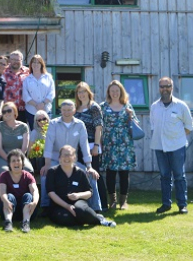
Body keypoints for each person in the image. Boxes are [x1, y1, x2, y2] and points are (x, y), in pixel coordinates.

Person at [41, 100, 102, 213]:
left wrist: (89, 166)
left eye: (69, 110)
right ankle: (45, 207)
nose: (67, 112)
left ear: (74, 110)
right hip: (55, 161)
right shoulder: (53, 124)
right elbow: (48, 144)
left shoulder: (80, 125)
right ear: (61, 111)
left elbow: (84, 145)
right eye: (64, 110)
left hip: (72, 162)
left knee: (91, 176)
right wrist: (47, 164)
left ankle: (95, 208)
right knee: (45, 176)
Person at [151, 77, 193, 214]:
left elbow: (189, 126)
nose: (165, 89)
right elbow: (153, 126)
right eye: (162, 86)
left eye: (167, 86)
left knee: (179, 176)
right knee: (164, 176)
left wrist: (178, 138)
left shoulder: (181, 106)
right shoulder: (154, 107)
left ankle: (182, 205)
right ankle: (166, 204)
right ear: (159, 88)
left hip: (177, 147)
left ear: (172, 87)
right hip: (159, 146)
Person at [46, 145, 116, 228]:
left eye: (70, 155)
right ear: (59, 158)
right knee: (64, 218)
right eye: (64, 155)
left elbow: (89, 192)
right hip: (59, 205)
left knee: (80, 210)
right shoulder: (52, 172)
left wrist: (78, 195)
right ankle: (89, 217)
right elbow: (51, 193)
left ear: (74, 158)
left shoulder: (80, 172)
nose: (67, 158)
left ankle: (100, 221)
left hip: (78, 202)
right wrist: (68, 206)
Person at [101, 80, 138, 210]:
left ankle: (123, 201)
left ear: (121, 92)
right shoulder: (103, 107)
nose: (115, 93)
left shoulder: (127, 106)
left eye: (117, 91)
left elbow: (135, 125)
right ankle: (112, 201)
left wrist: (130, 116)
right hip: (109, 145)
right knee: (110, 173)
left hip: (125, 145)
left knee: (124, 174)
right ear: (109, 93)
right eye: (112, 91)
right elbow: (99, 126)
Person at [74, 82, 108, 210]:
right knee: (83, 175)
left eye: (83, 91)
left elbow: (98, 128)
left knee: (95, 174)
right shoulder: (76, 108)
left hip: (92, 145)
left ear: (88, 92)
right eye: (79, 92)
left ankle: (103, 204)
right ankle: (88, 203)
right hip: (78, 148)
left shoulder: (94, 107)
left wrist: (96, 146)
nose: (81, 94)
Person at [0, 149, 39, 233]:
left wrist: (34, 202)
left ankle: (26, 223)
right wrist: (6, 201)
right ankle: (8, 222)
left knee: (28, 195)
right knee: (9, 196)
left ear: (23, 163)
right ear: (9, 164)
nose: (16, 163)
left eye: (18, 160)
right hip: (8, 208)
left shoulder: (28, 176)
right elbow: (2, 192)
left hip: (27, 211)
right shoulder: (4, 176)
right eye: (13, 161)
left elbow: (34, 190)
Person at [0, 102, 30, 174]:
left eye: (9, 111)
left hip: (19, 156)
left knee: (28, 170)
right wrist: (10, 160)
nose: (6, 113)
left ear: (15, 112)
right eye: (4, 111)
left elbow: (24, 148)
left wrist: (17, 160)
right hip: (2, 156)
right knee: (6, 172)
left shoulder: (23, 127)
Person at [22, 54, 55, 131]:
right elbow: (25, 96)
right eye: (34, 62)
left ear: (41, 64)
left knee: (46, 133)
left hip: (46, 110)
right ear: (31, 65)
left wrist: (43, 104)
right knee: (34, 133)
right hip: (31, 111)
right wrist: (36, 105)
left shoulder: (48, 77)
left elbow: (52, 93)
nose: (36, 64)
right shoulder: (27, 79)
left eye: (38, 62)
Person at [2, 50, 30, 122]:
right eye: (13, 59)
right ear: (10, 60)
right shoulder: (4, 71)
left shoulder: (28, 72)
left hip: (23, 110)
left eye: (17, 60)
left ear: (21, 60)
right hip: (7, 110)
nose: (15, 62)